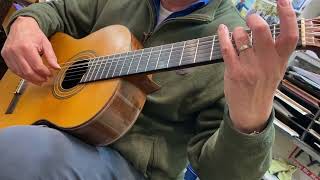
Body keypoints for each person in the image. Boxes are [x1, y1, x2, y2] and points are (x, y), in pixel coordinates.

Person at [0, 0, 298, 179]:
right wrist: (27, 21)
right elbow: (59, 9)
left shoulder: (234, 43)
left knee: (21, 150)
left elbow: (223, 175)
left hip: (129, 167)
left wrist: (251, 120)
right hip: (48, 118)